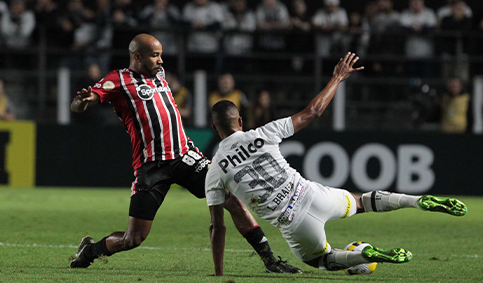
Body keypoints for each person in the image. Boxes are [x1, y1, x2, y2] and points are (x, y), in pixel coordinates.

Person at [205, 52, 467, 276]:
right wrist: (338, 77)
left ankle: (365, 256)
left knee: (321, 260)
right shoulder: (263, 133)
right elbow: (313, 112)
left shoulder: (215, 169)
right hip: (313, 194)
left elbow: (218, 226)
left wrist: (218, 273)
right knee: (363, 202)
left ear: (215, 129)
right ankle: (416, 201)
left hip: (294, 224)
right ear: (240, 122)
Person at [68, 33, 301, 274]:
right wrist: (83, 101)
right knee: (133, 238)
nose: (160, 60)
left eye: (161, 55)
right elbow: (84, 102)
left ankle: (270, 260)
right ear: (137, 57)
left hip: (185, 155)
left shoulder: (160, 75)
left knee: (231, 197)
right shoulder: (118, 79)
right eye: (155, 55)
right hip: (151, 166)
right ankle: (91, 251)